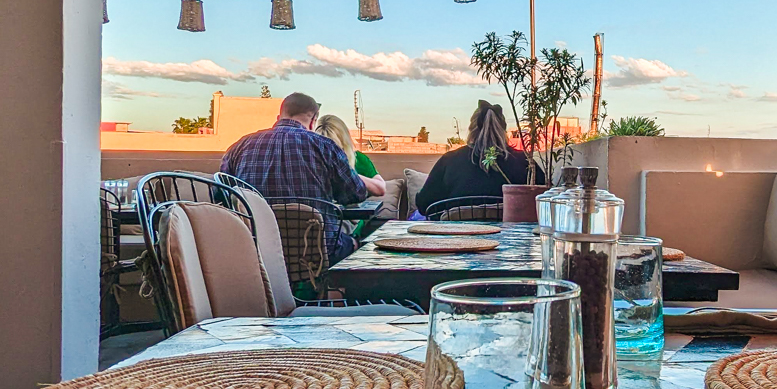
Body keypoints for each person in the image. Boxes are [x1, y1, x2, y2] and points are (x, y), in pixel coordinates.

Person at [220, 92, 388, 264]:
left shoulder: (239, 146)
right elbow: (355, 193)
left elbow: (222, 194)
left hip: (257, 248)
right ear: (314, 119)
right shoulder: (325, 147)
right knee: (352, 245)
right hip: (318, 249)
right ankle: (326, 290)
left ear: (279, 116)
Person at [415, 100, 544, 215]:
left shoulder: (449, 160)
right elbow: (545, 200)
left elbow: (424, 204)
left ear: (471, 129)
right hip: (510, 237)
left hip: (457, 238)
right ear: (503, 130)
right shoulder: (524, 162)